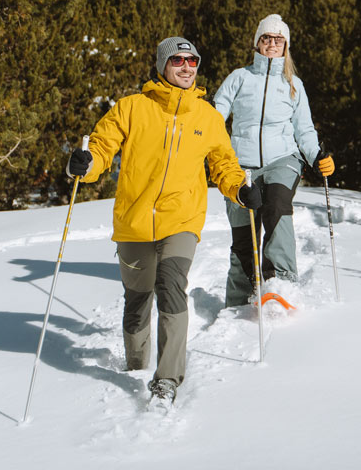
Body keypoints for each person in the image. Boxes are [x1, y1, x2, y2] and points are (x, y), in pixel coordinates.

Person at [66, 37, 261, 404]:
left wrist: (239, 190)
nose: (186, 67)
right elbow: (101, 148)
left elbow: (224, 165)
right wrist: (85, 164)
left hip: (181, 219)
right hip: (134, 221)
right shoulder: (131, 108)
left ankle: (167, 379)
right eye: (178, 60)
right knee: (137, 301)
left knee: (171, 286)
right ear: (162, 65)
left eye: (192, 61)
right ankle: (136, 366)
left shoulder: (207, 117)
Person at [213, 14, 335, 307]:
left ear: (285, 46)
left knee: (277, 206)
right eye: (266, 38)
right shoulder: (239, 78)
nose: (272, 44)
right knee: (244, 233)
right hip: (241, 165)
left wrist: (317, 156)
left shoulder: (293, 84)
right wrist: (208, 143)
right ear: (257, 43)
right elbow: (215, 115)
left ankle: (281, 283)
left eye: (278, 40)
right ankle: (240, 299)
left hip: (283, 159)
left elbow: (304, 128)